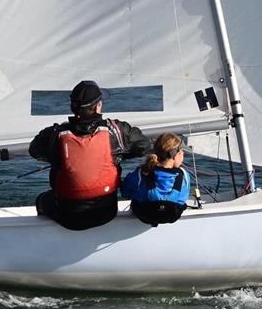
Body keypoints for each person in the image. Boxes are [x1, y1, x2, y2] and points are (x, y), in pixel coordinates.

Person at [29, 80, 150, 231]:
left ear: (73, 107)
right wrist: (116, 157)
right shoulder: (117, 132)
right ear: (98, 105)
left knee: (41, 200)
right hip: (107, 213)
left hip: (69, 217)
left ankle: (50, 243)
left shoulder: (54, 135)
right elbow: (144, 145)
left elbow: (34, 151)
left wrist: (59, 157)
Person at [120, 132, 191, 227]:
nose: (183, 156)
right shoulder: (184, 175)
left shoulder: (140, 172)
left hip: (143, 215)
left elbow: (125, 192)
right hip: (172, 216)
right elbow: (183, 198)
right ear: (175, 155)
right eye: (182, 153)